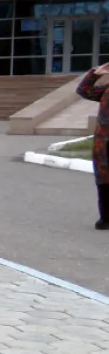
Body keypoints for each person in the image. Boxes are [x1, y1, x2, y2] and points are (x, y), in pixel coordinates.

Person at [77, 61, 109, 230]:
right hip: (103, 144)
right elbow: (83, 90)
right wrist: (96, 73)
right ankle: (105, 218)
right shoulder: (106, 89)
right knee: (104, 181)